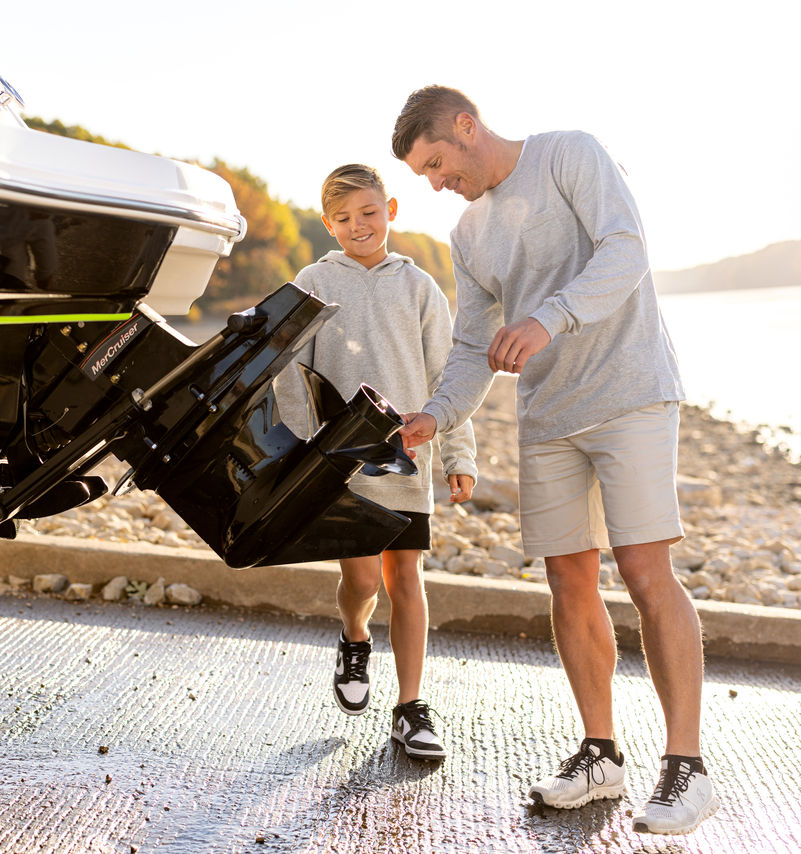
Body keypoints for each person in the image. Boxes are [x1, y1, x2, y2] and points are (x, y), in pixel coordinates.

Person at [390, 86, 717, 834]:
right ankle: (600, 756)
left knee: (642, 568)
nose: (437, 182)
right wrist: (435, 418)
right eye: (424, 174)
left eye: (437, 162)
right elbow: (474, 344)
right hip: (549, 416)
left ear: (467, 126)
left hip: (631, 391)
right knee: (568, 578)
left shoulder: (570, 153)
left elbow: (627, 249)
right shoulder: (468, 235)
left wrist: (547, 317)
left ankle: (687, 765)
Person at [274, 163, 477, 760]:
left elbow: (449, 376)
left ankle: (411, 708)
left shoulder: (419, 288)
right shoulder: (312, 281)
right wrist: (301, 452)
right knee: (361, 581)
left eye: (368, 213)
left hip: (408, 460)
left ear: (390, 211)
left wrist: (458, 453)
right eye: (343, 218)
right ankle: (354, 635)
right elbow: (290, 375)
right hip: (339, 463)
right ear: (327, 224)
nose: (357, 226)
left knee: (406, 580)